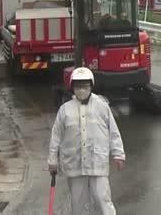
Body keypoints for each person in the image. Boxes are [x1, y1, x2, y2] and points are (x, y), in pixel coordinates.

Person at [48, 67, 126, 214]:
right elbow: (56, 136)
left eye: (85, 86)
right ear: (72, 87)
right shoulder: (65, 110)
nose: (81, 90)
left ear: (91, 85)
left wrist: (118, 154)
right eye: (78, 86)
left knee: (103, 200)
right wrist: (52, 160)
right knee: (77, 204)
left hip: (97, 162)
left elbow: (113, 132)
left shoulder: (102, 107)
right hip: (74, 164)